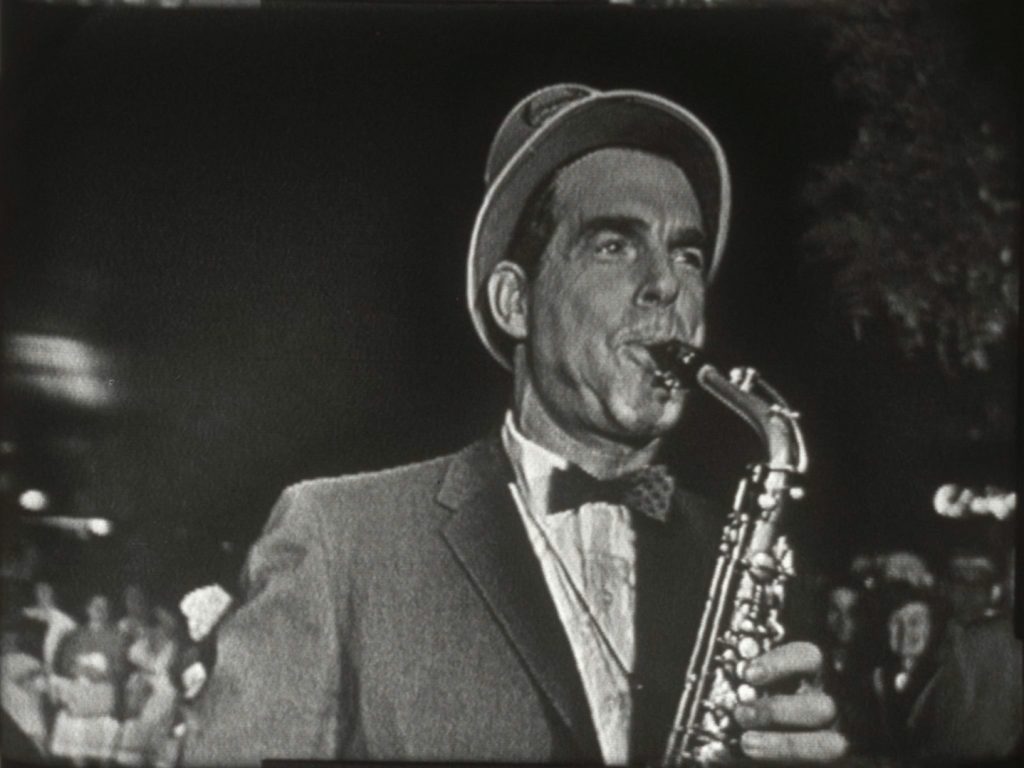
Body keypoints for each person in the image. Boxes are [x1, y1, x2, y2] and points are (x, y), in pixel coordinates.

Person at [185, 84, 846, 765]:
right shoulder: (338, 537)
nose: (667, 286)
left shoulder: (746, 562)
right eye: (614, 245)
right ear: (514, 302)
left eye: (688, 255)